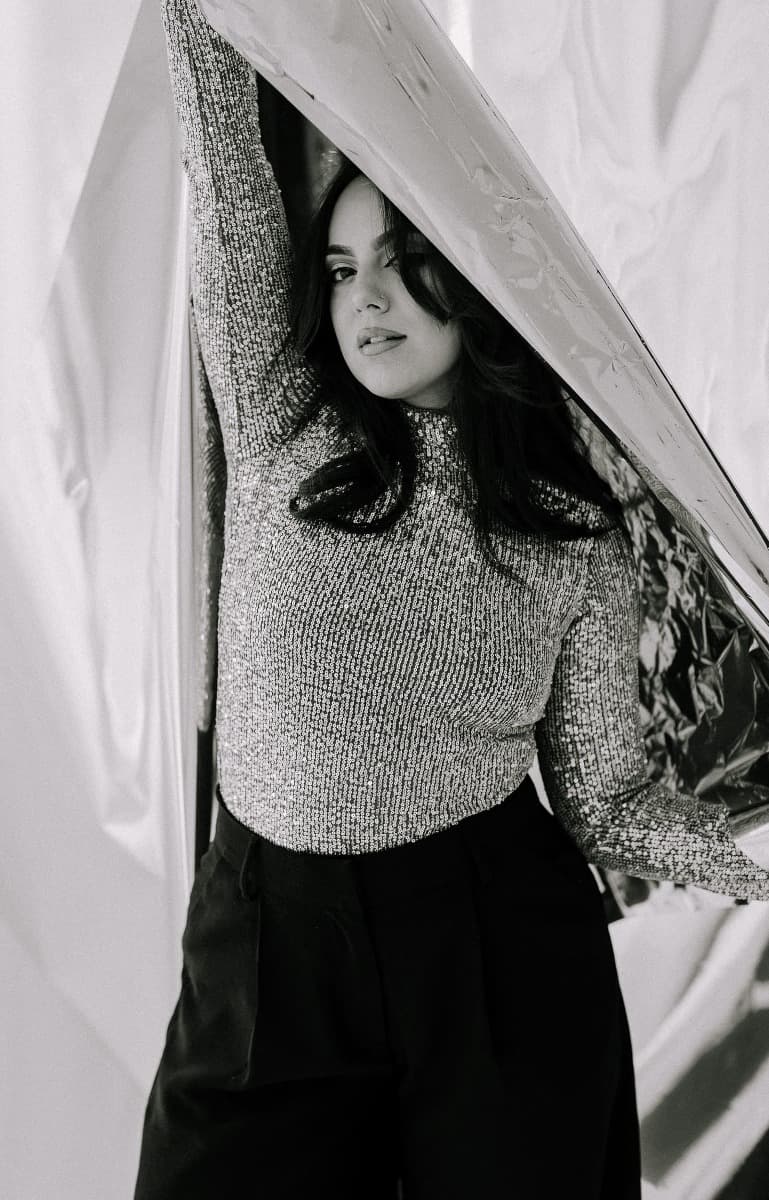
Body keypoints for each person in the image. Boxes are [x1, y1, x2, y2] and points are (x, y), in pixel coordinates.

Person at [134, 1, 769, 1197]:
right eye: (340, 268)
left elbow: (612, 803)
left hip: (491, 952)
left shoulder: (572, 536)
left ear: (470, 279)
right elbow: (222, 156)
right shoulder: (281, 420)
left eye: (401, 264)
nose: (363, 297)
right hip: (268, 943)